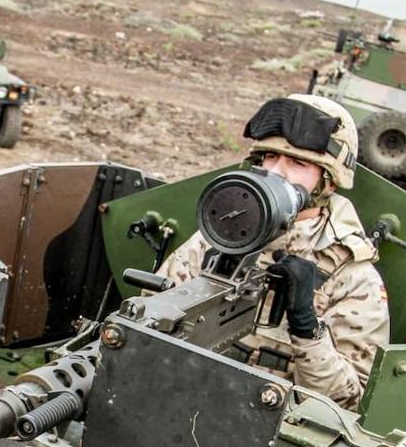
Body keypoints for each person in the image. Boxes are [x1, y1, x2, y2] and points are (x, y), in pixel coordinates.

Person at [160, 94, 389, 410]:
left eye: (297, 163)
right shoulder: (221, 235)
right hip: (188, 399)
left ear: (329, 182)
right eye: (268, 157)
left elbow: (349, 402)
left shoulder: (352, 275)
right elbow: (152, 321)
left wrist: (307, 327)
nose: (276, 172)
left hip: (277, 429)